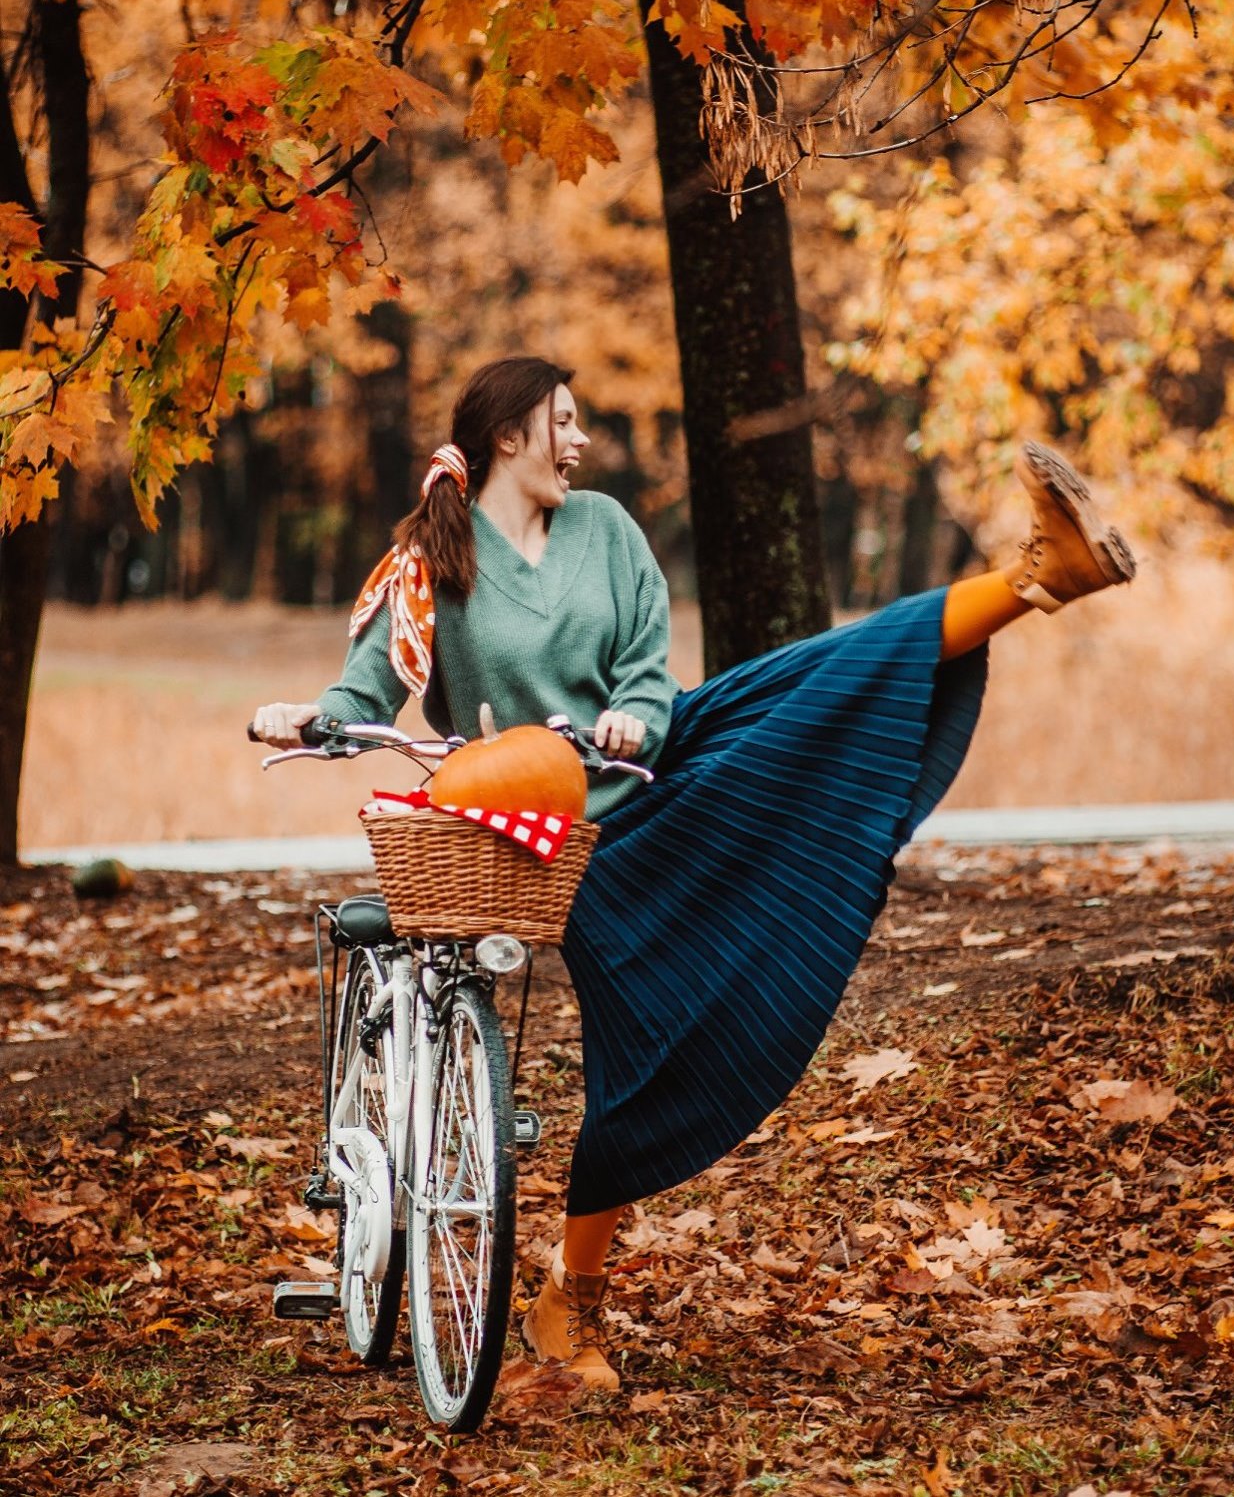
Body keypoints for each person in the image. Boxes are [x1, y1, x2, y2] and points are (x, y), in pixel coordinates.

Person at [253, 354, 1136, 1391]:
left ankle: (1040, 573)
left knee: (817, 674)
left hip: (647, 764)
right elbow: (368, 686)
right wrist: (308, 717)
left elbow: (642, 665)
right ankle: (567, 1299)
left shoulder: (609, 530)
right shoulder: (427, 556)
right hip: (540, 827)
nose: (579, 441)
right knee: (647, 1041)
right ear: (506, 436)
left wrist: (639, 710)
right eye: (564, 422)